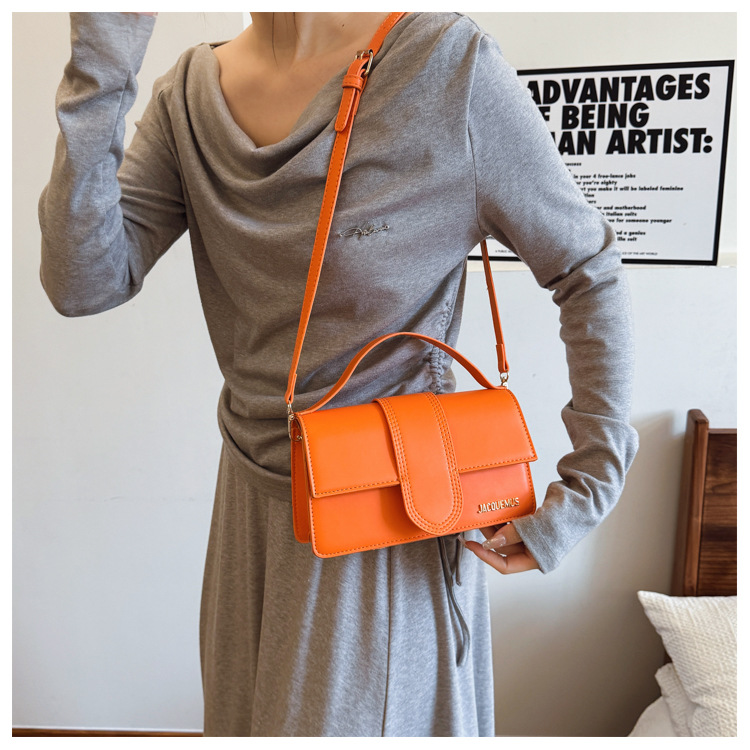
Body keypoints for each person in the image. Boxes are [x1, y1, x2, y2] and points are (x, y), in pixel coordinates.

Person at [39, 11, 638, 737]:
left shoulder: (448, 69)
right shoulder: (189, 95)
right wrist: (105, 55)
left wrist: (587, 489)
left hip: (387, 518)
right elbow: (84, 282)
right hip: (250, 511)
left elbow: (588, 268)